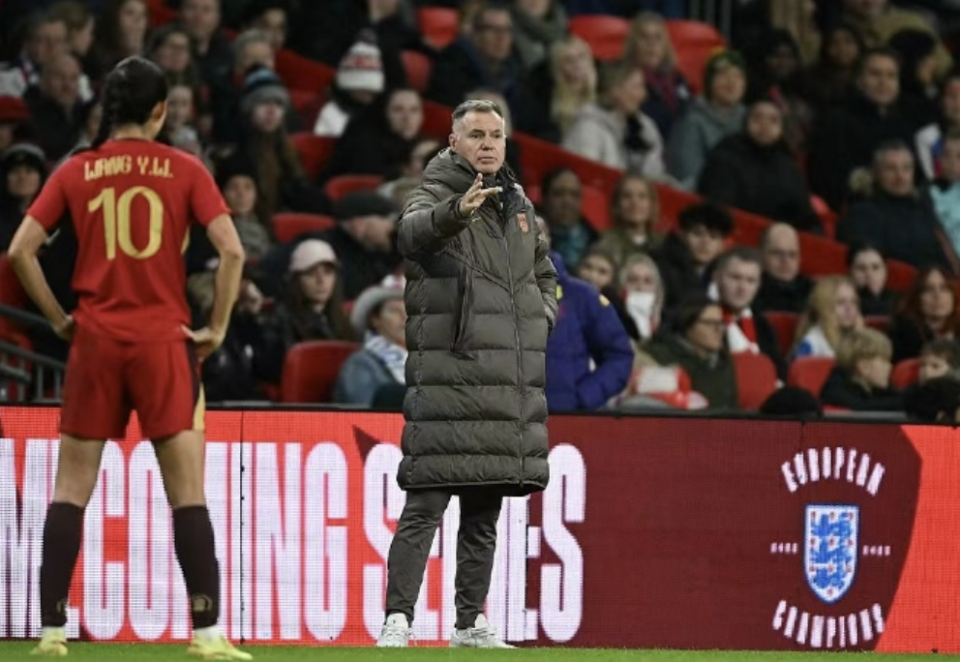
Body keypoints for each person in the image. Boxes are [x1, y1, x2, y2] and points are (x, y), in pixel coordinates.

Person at [7, 56, 250, 660]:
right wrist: (217, 327)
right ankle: (206, 634)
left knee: (70, 488)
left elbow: (20, 251)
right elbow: (232, 252)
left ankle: (51, 632)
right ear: (162, 110)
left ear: (108, 109)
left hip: (95, 341)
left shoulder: (78, 169)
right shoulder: (185, 168)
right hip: (163, 342)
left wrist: (59, 320)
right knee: (186, 492)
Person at [377, 99, 557, 648]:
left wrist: (541, 316)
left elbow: (545, 271)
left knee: (484, 510)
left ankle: (468, 623)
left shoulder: (519, 203)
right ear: (453, 142)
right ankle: (397, 620)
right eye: (476, 134)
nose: (487, 144)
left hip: (502, 381)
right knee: (425, 505)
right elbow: (410, 235)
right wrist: (456, 211)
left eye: (495, 135)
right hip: (448, 377)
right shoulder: (435, 191)